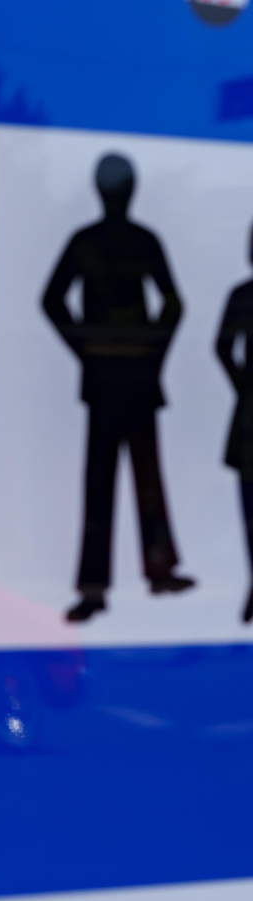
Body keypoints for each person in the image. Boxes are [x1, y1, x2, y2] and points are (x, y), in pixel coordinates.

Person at [42, 153, 194, 623]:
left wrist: (95, 350)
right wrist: (99, 351)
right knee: (118, 481)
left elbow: (172, 303)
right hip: (120, 376)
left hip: (119, 376)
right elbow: (53, 300)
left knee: (124, 480)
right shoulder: (129, 241)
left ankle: (130, 578)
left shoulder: (105, 241)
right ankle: (124, 579)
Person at [215, 225, 253, 622]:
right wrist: (244, 385)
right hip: (249, 419)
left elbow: (223, 348)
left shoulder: (242, 295)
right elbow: (222, 347)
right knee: (249, 503)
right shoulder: (242, 295)